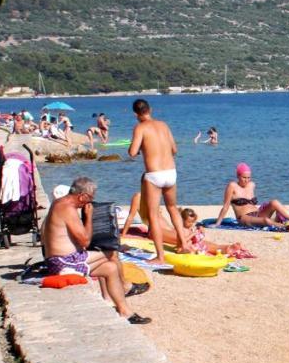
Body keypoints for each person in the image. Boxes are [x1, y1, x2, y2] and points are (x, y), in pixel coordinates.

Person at [41, 176, 150, 324]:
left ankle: (124, 311)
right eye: (90, 199)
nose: (90, 203)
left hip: (65, 259)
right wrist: (89, 216)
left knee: (110, 268)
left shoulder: (61, 203)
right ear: (82, 196)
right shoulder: (67, 208)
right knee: (111, 253)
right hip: (64, 262)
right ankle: (125, 287)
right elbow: (85, 240)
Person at [129, 98, 190, 264]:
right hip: (171, 172)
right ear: (150, 109)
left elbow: (133, 152)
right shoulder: (163, 125)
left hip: (154, 175)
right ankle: (183, 244)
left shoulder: (140, 127)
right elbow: (174, 149)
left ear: (136, 114)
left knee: (154, 215)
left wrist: (139, 146)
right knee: (172, 208)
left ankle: (160, 256)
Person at [216, 162, 289, 230]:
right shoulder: (232, 186)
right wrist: (218, 223)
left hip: (258, 213)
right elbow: (226, 206)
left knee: (274, 202)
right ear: (238, 176)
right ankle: (285, 227)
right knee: (266, 220)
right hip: (244, 217)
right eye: (244, 177)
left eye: (248, 177)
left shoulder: (252, 185)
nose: (246, 180)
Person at [179, 208, 254, 257]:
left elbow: (198, 237)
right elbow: (182, 241)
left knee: (211, 250)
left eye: (192, 222)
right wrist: (193, 234)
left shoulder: (191, 228)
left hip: (197, 246)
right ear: (182, 220)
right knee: (206, 253)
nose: (191, 224)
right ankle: (229, 251)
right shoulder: (182, 229)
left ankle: (233, 248)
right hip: (189, 248)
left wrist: (200, 230)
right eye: (189, 222)